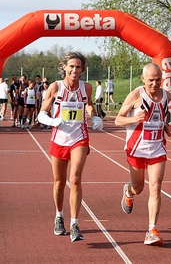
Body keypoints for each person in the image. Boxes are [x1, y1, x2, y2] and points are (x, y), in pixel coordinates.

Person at [37, 51, 103, 242]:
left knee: (74, 179)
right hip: (59, 138)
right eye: (71, 66)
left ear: (83, 69)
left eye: (78, 67)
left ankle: (75, 224)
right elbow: (42, 113)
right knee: (59, 183)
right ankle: (59, 216)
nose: (74, 70)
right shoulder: (55, 87)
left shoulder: (87, 88)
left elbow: (88, 105)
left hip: (79, 138)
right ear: (64, 67)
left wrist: (95, 116)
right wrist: (51, 121)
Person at [115, 63, 171, 246]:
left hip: (157, 148)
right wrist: (134, 118)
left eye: (158, 80)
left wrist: (164, 126)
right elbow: (118, 120)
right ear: (143, 79)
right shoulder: (136, 94)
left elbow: (160, 116)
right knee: (138, 187)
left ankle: (152, 230)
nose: (155, 84)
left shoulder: (167, 95)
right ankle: (129, 192)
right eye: (151, 80)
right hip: (137, 148)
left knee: (155, 187)